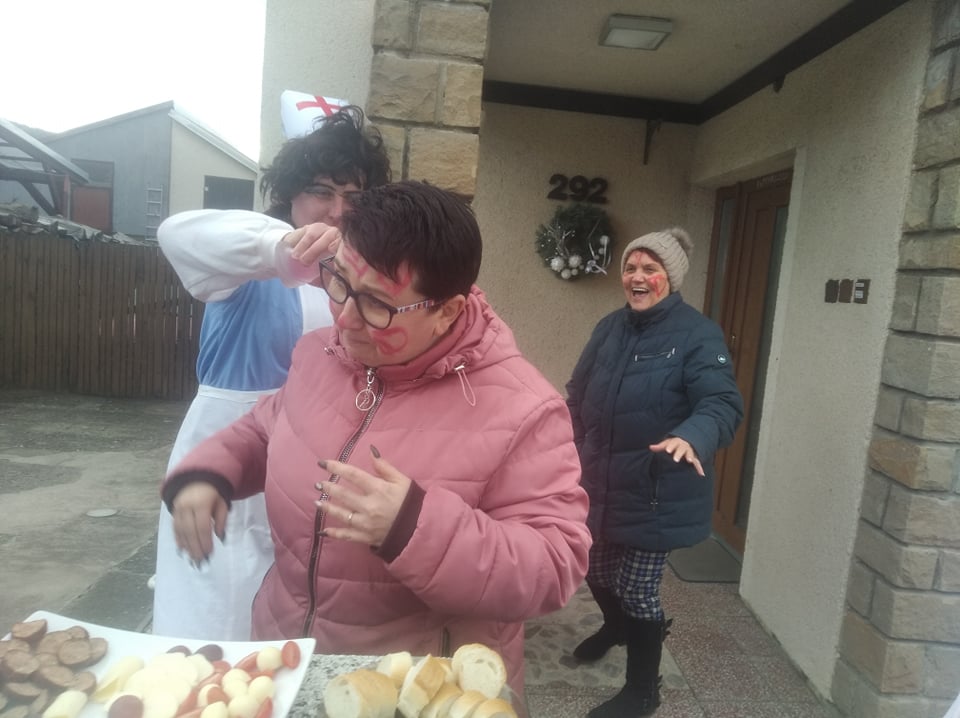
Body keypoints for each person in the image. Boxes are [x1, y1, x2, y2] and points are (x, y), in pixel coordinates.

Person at [160, 181, 591, 694]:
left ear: (448, 311)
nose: (344, 318)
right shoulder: (322, 354)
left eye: (377, 305)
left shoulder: (525, 409)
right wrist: (212, 472)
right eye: (339, 282)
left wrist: (414, 528)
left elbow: (555, 565)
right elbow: (267, 426)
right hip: (288, 662)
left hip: (415, 687)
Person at [151, 105, 391, 641]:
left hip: (313, 468)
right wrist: (277, 247)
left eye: (354, 197)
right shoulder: (248, 264)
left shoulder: (360, 284)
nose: (337, 210)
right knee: (212, 626)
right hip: (228, 464)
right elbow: (175, 233)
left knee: (290, 620)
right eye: (321, 192)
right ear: (290, 197)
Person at [566, 227, 744, 718]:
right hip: (601, 481)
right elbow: (577, 393)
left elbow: (722, 402)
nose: (637, 277)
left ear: (671, 277)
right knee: (593, 568)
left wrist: (693, 436)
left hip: (657, 488)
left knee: (637, 588)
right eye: (630, 267)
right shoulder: (609, 327)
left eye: (650, 268)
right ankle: (617, 628)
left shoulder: (696, 334)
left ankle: (643, 691)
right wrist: (566, 442)